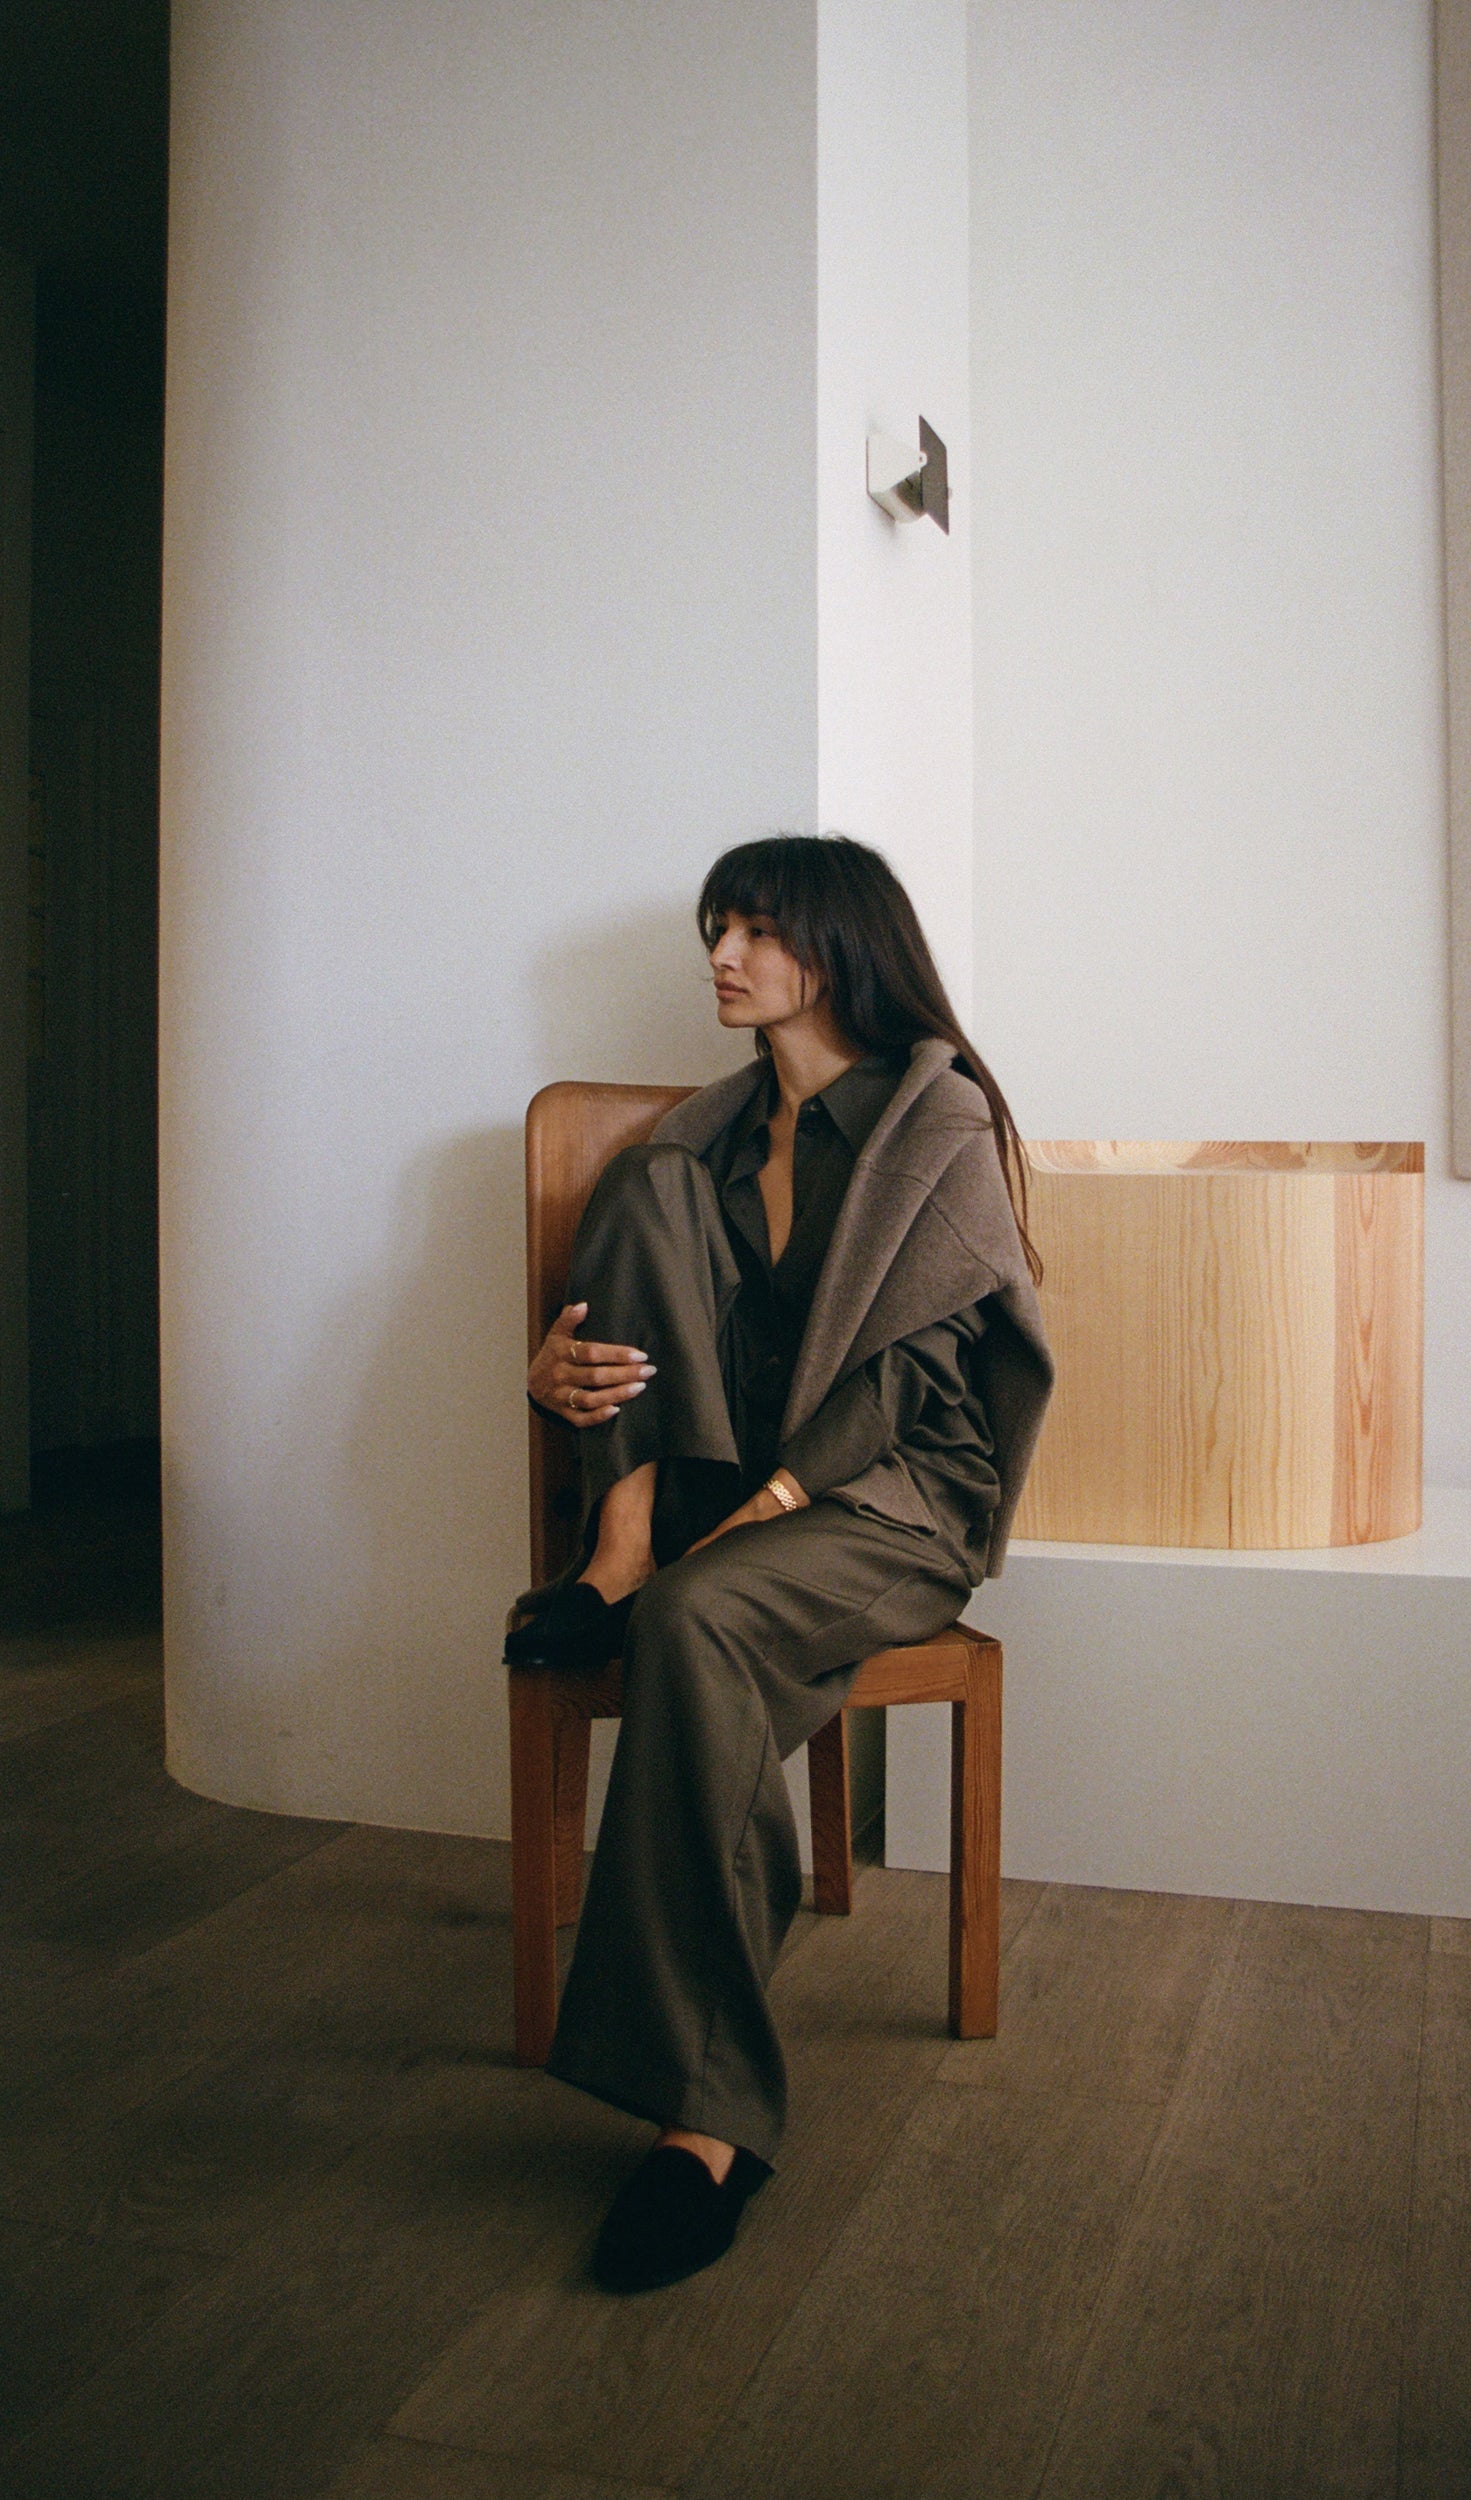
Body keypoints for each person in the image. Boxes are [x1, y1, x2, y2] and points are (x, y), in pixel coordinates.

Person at [509, 834, 1053, 2293]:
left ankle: (709, 2123)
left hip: (888, 1501)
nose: (721, 957)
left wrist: (774, 1505)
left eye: (754, 930)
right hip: (708, 1492)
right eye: (715, 928)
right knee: (645, 1191)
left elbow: (918, 1383)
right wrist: (551, 1378)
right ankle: (614, 1549)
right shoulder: (703, 1142)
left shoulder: (930, 1127)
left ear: (839, 946)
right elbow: (644, 1330)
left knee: (700, 1621)